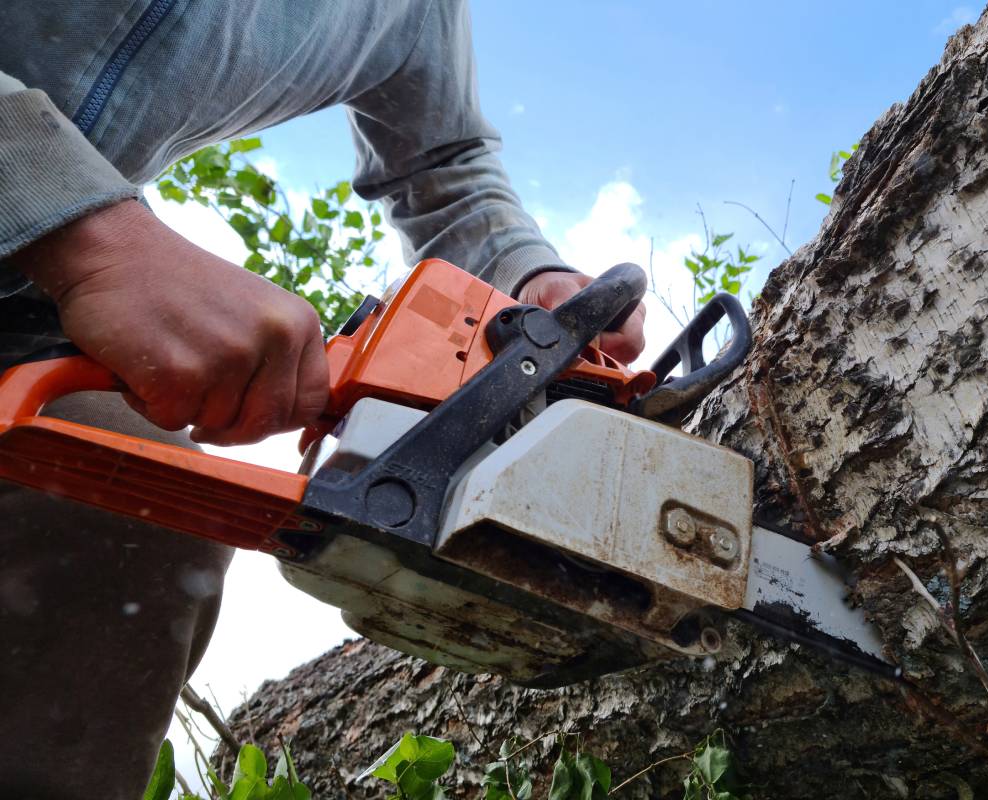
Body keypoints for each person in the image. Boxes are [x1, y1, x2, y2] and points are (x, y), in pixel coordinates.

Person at [0, 1, 646, 796]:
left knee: (119, 518)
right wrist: (83, 232)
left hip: (22, 312)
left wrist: (526, 276)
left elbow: (447, 170)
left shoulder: (414, 15)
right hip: (46, 237)